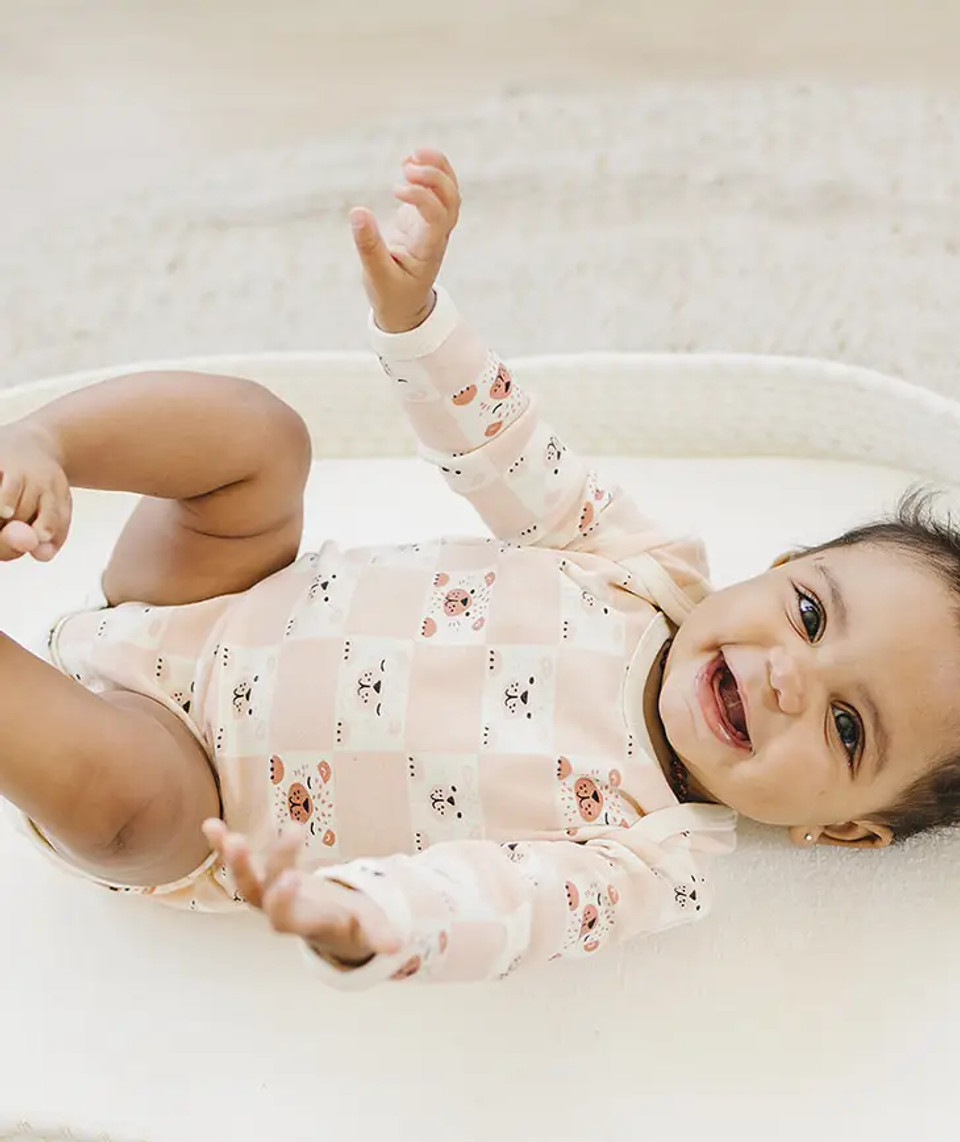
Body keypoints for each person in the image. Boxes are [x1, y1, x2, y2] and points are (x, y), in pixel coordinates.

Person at [3, 151, 960, 987]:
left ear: (842, 828)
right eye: (809, 613)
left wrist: (362, 920)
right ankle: (37, 445)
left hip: (196, 779)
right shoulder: (644, 568)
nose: (793, 676)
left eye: (846, 725)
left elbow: (502, 907)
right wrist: (417, 319)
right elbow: (510, 449)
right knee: (261, 437)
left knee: (133, 814)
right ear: (783, 565)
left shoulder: (656, 860)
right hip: (221, 587)